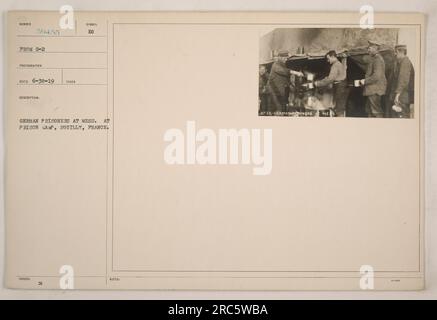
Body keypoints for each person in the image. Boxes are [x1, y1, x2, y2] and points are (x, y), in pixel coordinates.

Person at [314, 50, 349, 117]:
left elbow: (330, 79)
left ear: (333, 56)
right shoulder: (340, 64)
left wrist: (318, 83)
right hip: (342, 86)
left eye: (328, 58)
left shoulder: (335, 65)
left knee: (338, 110)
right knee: (339, 108)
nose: (328, 60)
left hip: (340, 87)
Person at [359, 41, 387, 118]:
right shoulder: (374, 59)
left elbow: (376, 76)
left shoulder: (377, 59)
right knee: (369, 110)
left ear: (375, 48)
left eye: (369, 48)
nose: (368, 50)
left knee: (376, 111)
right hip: (372, 90)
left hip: (375, 90)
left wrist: (364, 81)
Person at [390, 44, 415, 118]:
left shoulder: (405, 62)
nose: (395, 54)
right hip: (402, 95)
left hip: (403, 96)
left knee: (402, 117)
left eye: (396, 52)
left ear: (401, 52)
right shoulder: (401, 62)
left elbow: (403, 80)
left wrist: (397, 95)